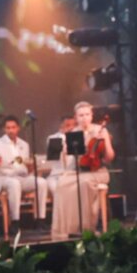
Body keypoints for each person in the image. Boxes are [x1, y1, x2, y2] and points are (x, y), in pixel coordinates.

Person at [50, 101, 115, 240]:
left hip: (97, 171)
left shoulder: (101, 130)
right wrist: (69, 148)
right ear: (76, 117)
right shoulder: (73, 132)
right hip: (78, 170)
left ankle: (86, 228)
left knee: (84, 184)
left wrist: (104, 141)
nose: (84, 118)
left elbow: (109, 157)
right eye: (81, 115)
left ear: (91, 115)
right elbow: (71, 157)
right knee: (62, 184)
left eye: (87, 114)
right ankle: (67, 228)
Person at [0, 115, 47, 227]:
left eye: (13, 127)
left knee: (41, 182)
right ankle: (15, 221)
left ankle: (41, 219)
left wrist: (29, 169)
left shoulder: (24, 144)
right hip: (2, 179)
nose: (11, 130)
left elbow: (21, 165)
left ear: (18, 128)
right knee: (14, 184)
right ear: (4, 129)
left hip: (20, 177)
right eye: (8, 128)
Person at [44, 115, 77, 196]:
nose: (71, 128)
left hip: (72, 175)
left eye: (73, 125)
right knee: (56, 189)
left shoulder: (77, 139)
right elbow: (54, 156)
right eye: (68, 125)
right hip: (56, 174)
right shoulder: (53, 138)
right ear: (61, 126)